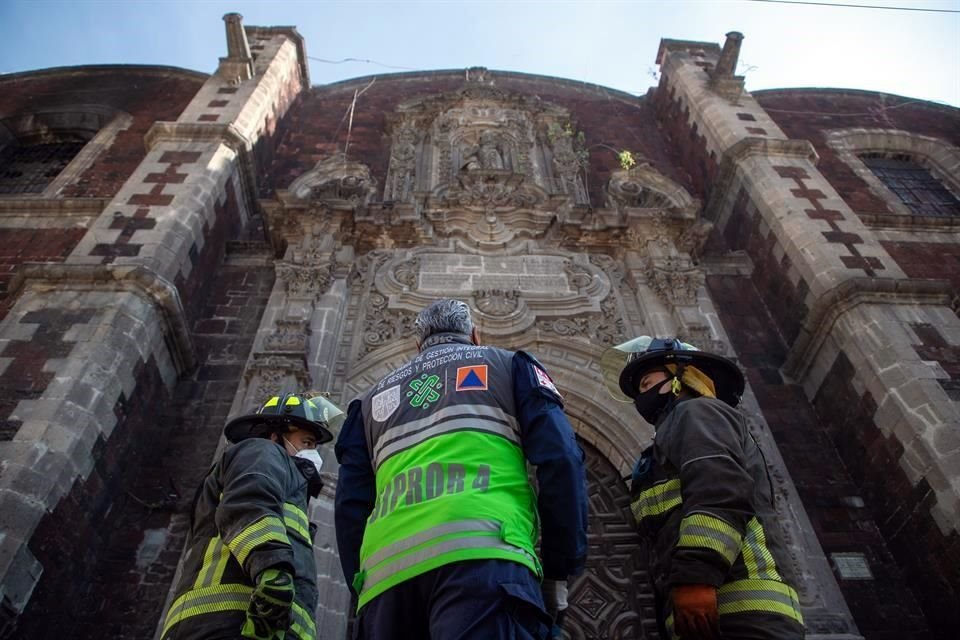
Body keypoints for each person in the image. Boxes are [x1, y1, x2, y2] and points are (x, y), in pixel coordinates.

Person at [335, 299, 588, 640]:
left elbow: (350, 507)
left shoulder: (366, 404)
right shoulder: (511, 367)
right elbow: (561, 459)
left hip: (386, 581)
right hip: (483, 557)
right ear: (474, 334)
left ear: (417, 344)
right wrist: (559, 567)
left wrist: (362, 583)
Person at [605, 337, 805, 640]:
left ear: (680, 375)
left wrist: (697, 577)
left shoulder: (697, 413)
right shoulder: (670, 435)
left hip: (738, 608)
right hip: (703, 612)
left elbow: (719, 490)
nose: (640, 397)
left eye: (646, 382)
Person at [160, 393, 344, 640]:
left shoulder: (287, 484)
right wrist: (273, 570)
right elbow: (249, 504)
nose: (312, 452)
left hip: (263, 626)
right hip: (228, 622)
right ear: (275, 435)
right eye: (307, 442)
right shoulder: (260, 451)